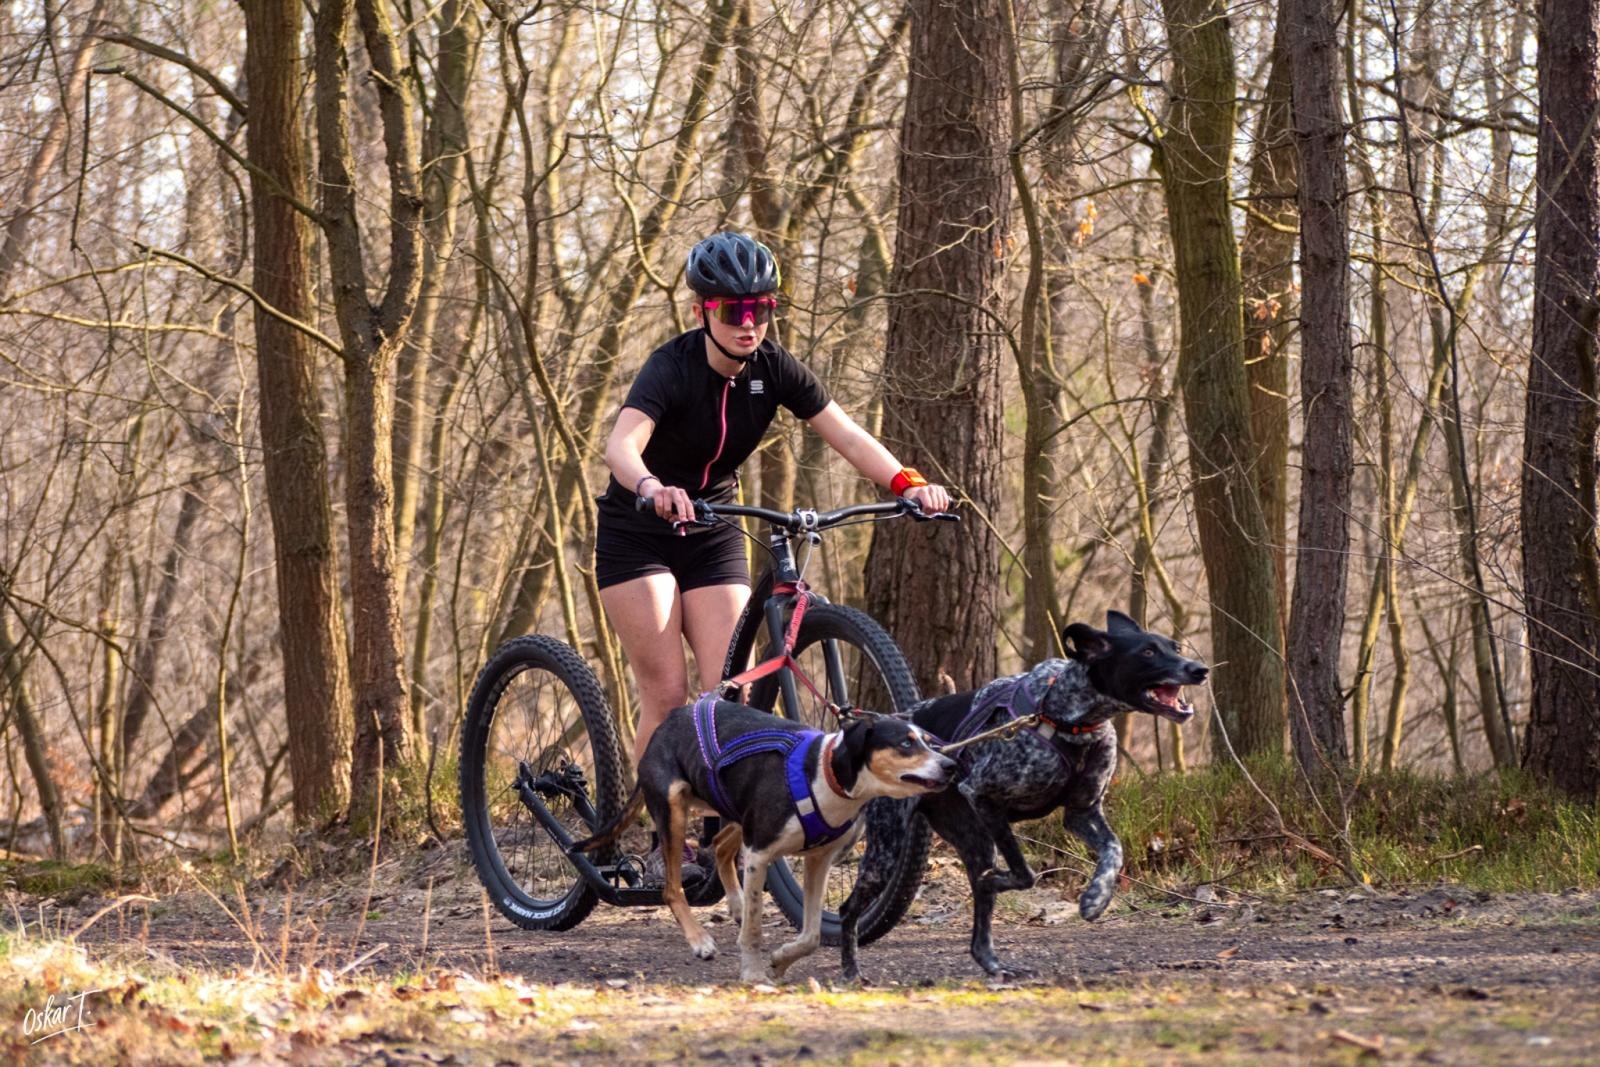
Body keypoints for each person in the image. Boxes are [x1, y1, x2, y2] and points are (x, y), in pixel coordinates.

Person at [594, 231, 950, 879]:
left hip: (714, 526)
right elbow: (622, 447)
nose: (749, 324)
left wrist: (908, 483)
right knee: (671, 695)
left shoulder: (774, 368)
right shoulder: (670, 368)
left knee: (728, 691)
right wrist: (651, 487)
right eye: (734, 311)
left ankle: (721, 834)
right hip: (639, 529)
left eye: (762, 308)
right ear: (704, 310)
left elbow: (844, 432)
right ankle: (664, 840)